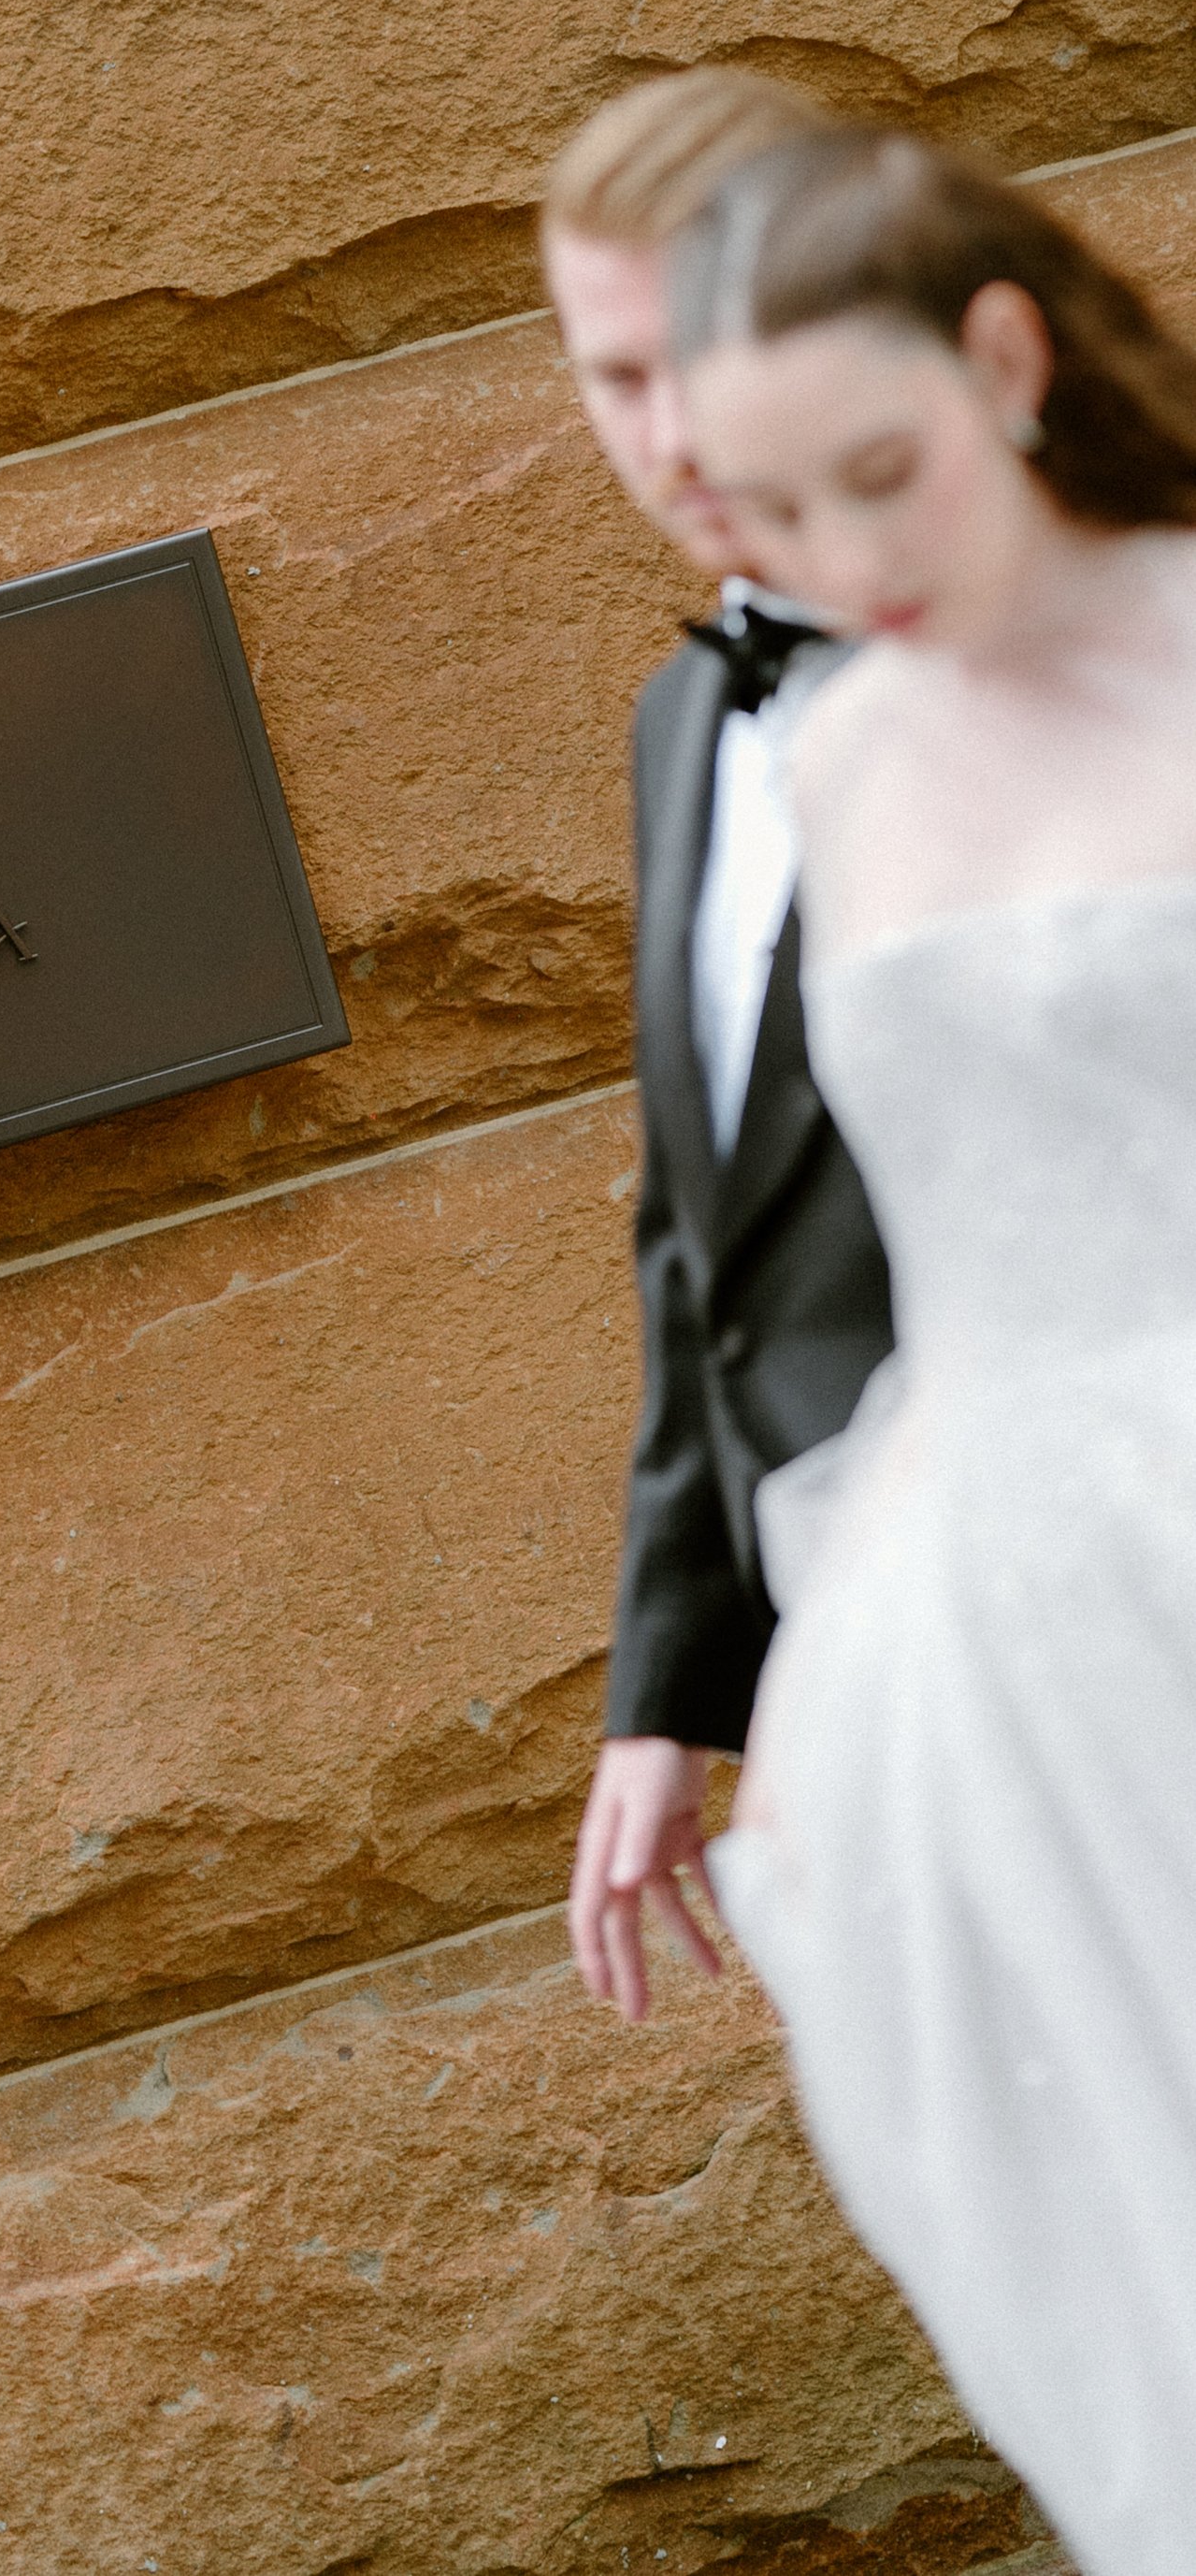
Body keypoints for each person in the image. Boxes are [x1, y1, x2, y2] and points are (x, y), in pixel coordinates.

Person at [665, 123, 1196, 2576]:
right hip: (1008, 1634)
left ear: (1001, 360)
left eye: (881, 476)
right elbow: (816, 1235)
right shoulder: (826, 751)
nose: (854, 567)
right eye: (776, 518)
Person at [540, 75, 894, 2025]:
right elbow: (701, 1243)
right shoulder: (678, 731)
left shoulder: (1027, 658)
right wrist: (667, 1690)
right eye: (608, 376)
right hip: (859, 1641)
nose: (662, 435)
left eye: (694, 358)